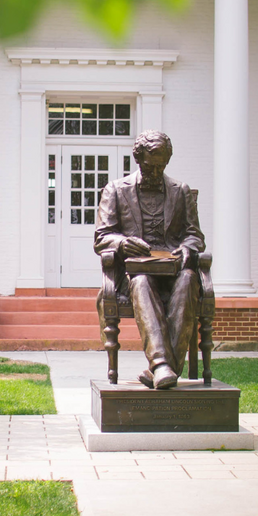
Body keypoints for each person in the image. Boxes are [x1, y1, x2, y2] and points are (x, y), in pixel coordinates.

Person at [94, 130, 204, 389]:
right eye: (149, 166)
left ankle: (161, 368)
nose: (155, 172)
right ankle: (163, 366)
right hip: (134, 274)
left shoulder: (181, 191)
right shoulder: (116, 190)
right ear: (137, 158)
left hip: (173, 272)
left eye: (161, 166)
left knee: (189, 279)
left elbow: (194, 235)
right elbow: (102, 237)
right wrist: (122, 242)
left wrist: (188, 249)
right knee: (142, 281)